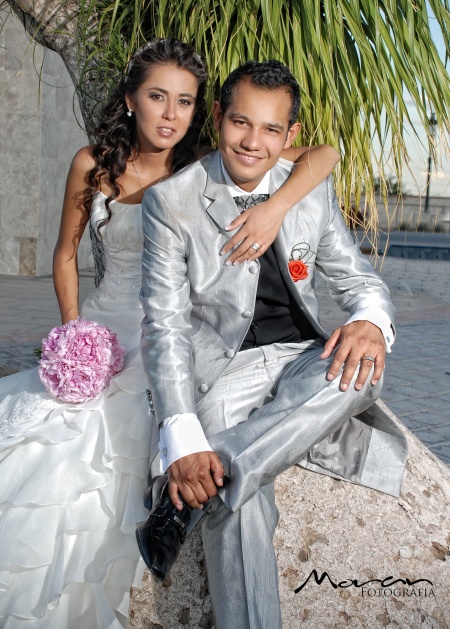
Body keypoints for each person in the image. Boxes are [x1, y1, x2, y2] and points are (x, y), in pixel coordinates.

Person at [0, 38, 340, 628]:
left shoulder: (205, 165)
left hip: (176, 329)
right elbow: (64, 256)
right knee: (52, 437)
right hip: (105, 327)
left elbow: (325, 154)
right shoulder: (92, 164)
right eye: (157, 97)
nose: (170, 114)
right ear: (130, 99)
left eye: (184, 101)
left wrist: (274, 208)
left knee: (133, 421)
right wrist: (73, 337)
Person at [138, 60, 408, 628]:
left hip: (303, 359)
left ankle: (220, 469)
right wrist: (183, 435)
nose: (251, 142)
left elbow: (358, 279)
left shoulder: (305, 193)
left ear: (289, 138)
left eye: (269, 130)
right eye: (240, 123)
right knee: (239, 507)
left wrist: (370, 321)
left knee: (366, 365)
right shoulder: (173, 202)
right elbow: (163, 325)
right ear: (218, 118)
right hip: (225, 367)